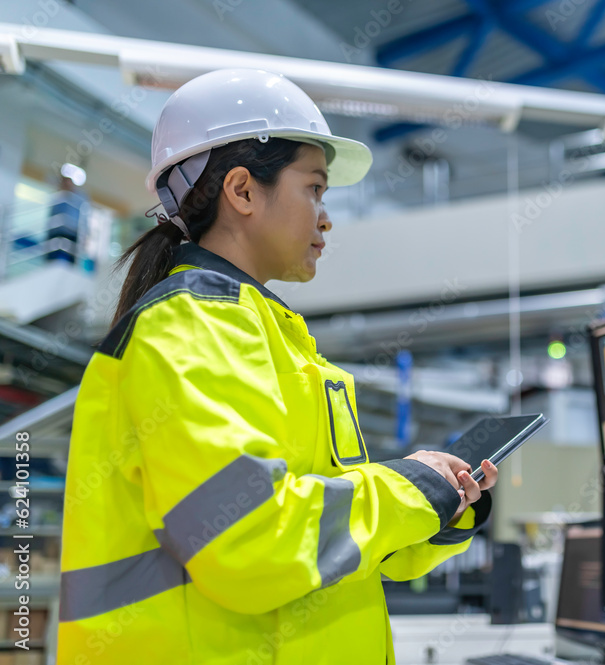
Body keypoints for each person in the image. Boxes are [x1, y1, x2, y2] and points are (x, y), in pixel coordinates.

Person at [57, 69, 497, 665]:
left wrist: (443, 501)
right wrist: (405, 488)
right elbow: (249, 540)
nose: (325, 217)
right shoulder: (191, 327)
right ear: (242, 191)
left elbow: (332, 542)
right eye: (314, 188)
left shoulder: (271, 336)